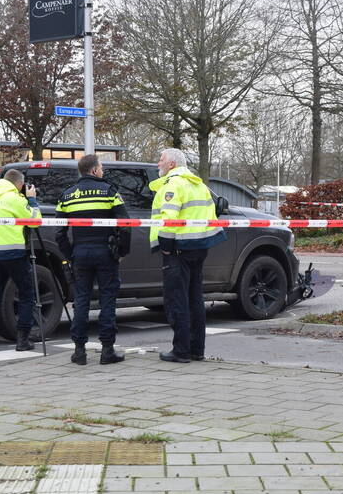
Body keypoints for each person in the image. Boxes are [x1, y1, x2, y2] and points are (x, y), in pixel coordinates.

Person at [149, 148, 226, 363]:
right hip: (198, 247)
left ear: (172, 164)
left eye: (161, 159)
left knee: (177, 299)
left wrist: (165, 245)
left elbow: (169, 218)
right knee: (195, 299)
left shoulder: (172, 185)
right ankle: (196, 349)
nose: (158, 163)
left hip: (177, 249)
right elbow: (211, 215)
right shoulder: (199, 185)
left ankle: (181, 350)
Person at [55, 154, 130, 365]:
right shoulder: (109, 192)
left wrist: (70, 254)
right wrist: (122, 251)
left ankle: (79, 352)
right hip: (106, 253)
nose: (103, 171)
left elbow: (59, 232)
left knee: (81, 302)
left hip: (80, 253)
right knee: (107, 300)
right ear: (95, 170)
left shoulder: (66, 196)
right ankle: (107, 351)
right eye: (102, 168)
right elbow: (125, 224)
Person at [0, 169, 41, 354]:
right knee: (27, 295)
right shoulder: (15, 199)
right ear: (19, 184)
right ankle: (23, 339)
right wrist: (32, 200)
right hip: (13, 253)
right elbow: (35, 221)